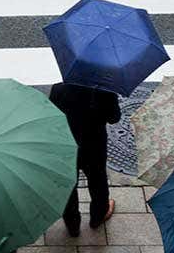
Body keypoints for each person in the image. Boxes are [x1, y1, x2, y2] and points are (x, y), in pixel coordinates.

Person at [48, 82, 120, 237]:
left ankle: (72, 225)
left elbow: (51, 118)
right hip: (94, 146)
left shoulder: (59, 89)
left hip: (67, 146)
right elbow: (114, 118)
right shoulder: (105, 90)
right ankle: (98, 216)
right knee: (97, 180)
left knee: (68, 184)